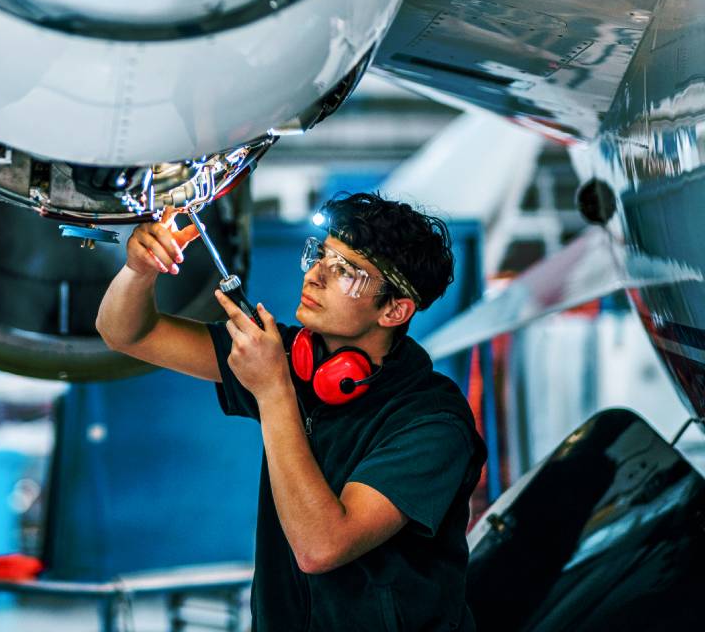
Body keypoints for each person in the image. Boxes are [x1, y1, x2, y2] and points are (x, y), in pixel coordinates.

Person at [96, 192, 487, 631]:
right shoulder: (287, 359)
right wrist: (139, 271)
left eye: (346, 273)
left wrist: (274, 390)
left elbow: (321, 547)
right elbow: (127, 332)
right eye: (321, 256)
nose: (316, 276)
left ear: (395, 310)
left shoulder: (432, 422)